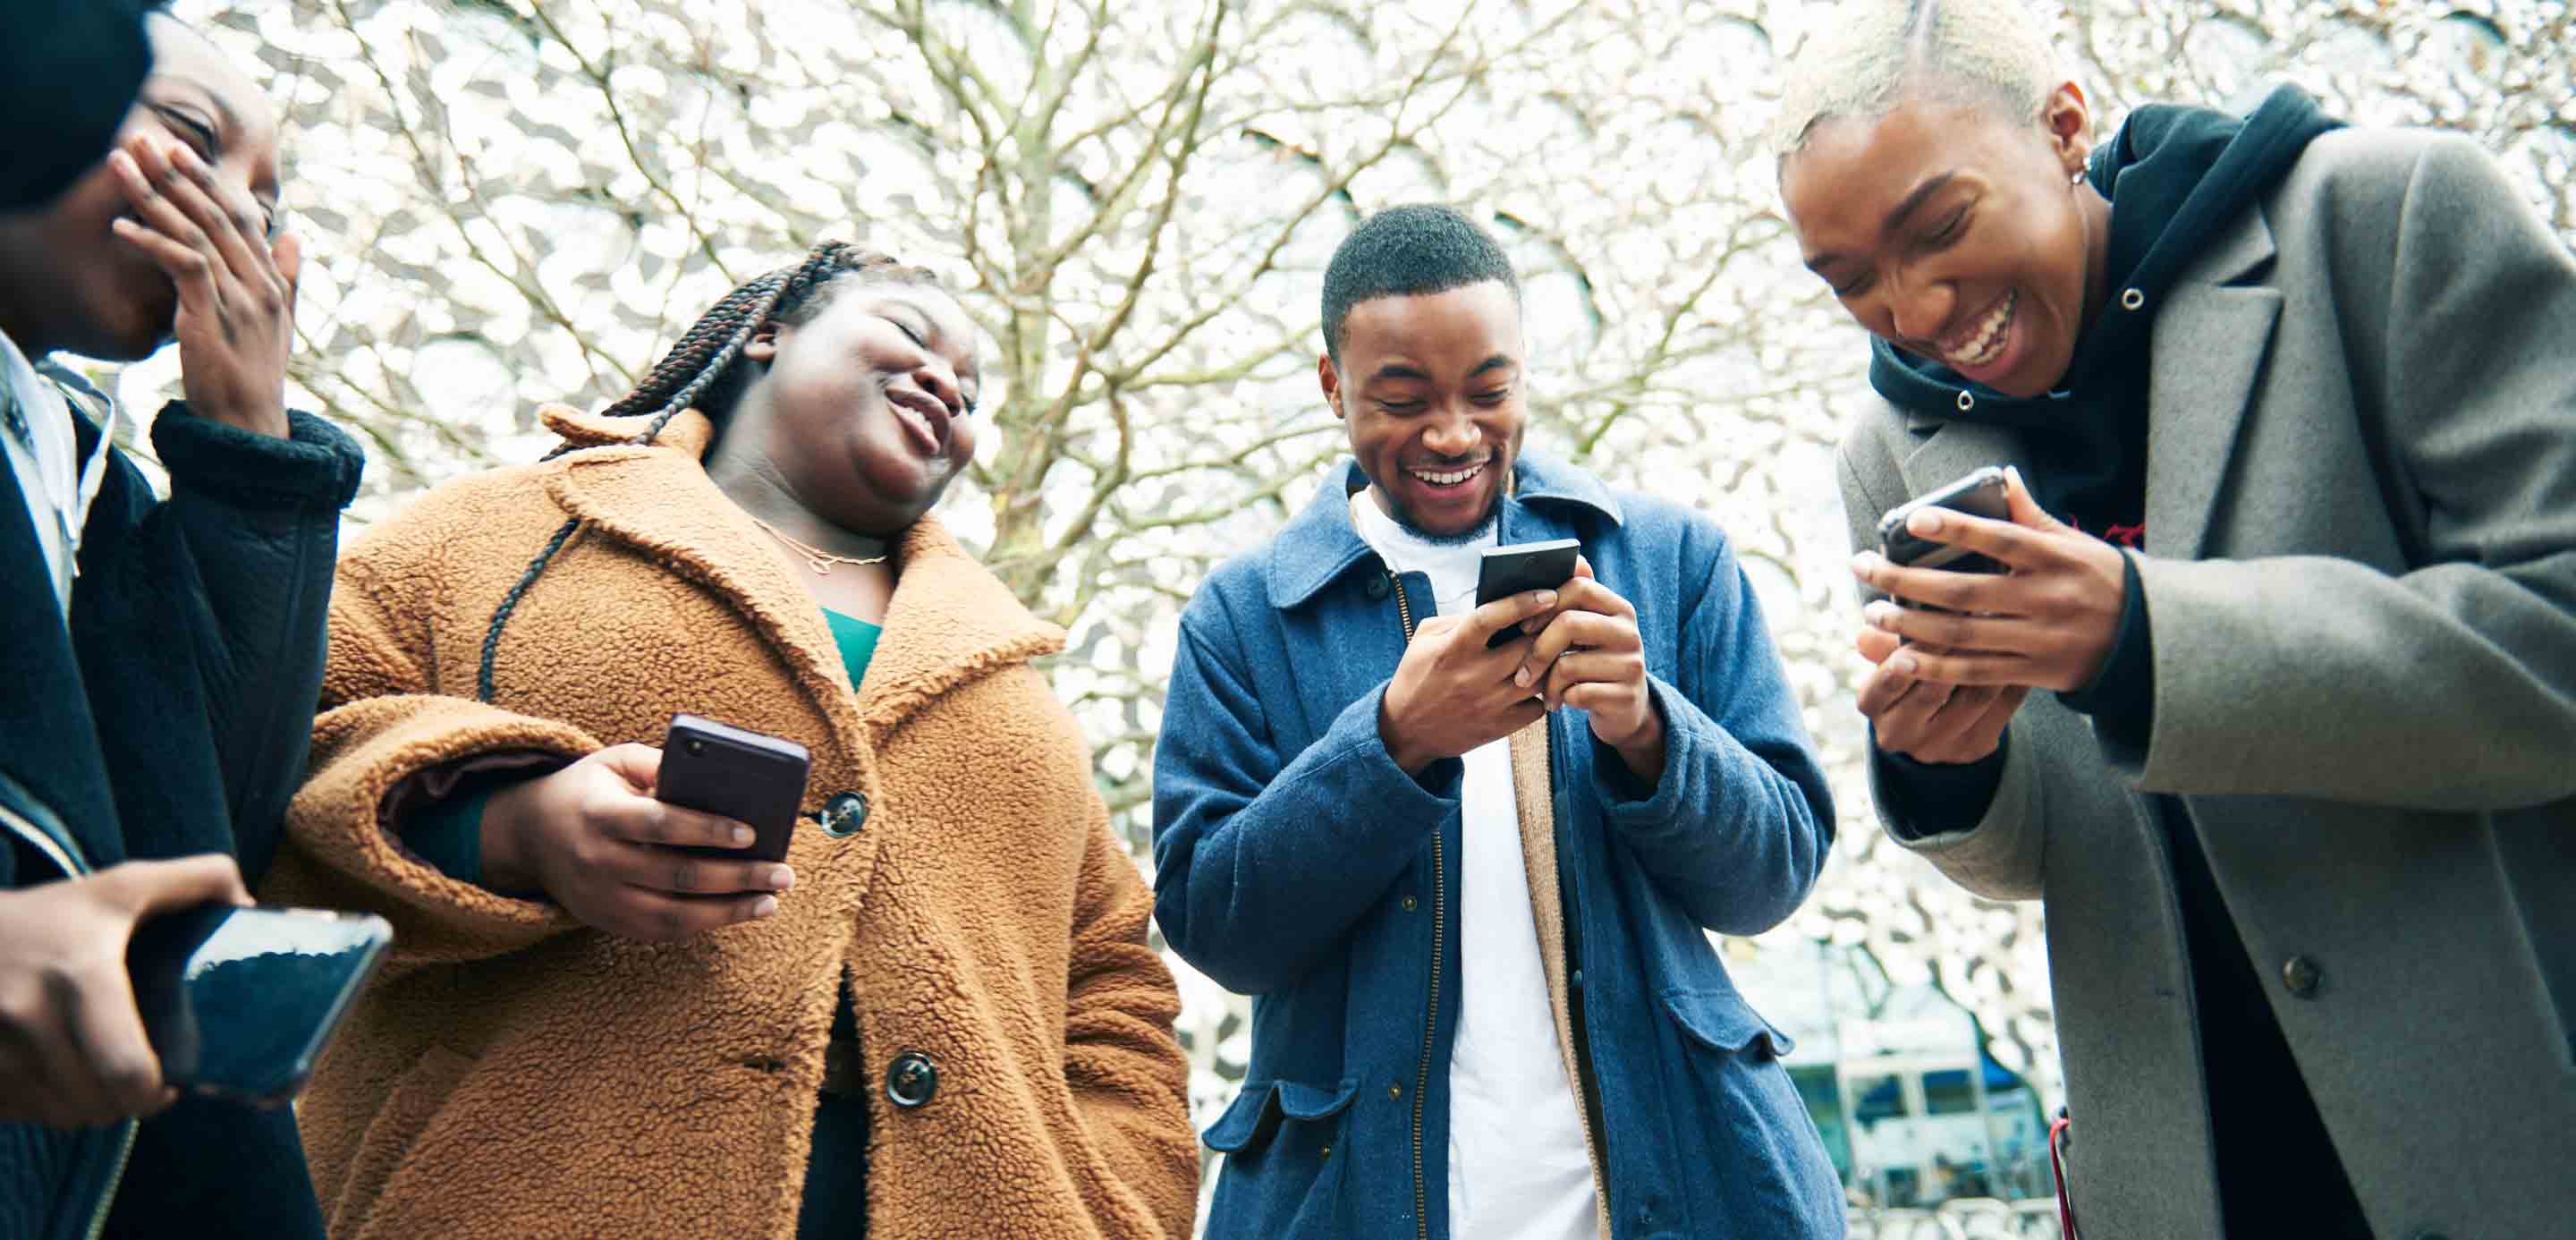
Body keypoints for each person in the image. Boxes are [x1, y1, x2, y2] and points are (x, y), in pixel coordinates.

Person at [1774, 2, 2576, 1237]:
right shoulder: (1892, 453)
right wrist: (1948, 772)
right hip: (2194, 1188)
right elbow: (2041, 856)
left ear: (2064, 127)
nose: (1915, 309)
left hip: (2509, 1131)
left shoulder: (2387, 216)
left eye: (1939, 229)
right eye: (1851, 281)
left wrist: (2144, 640)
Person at [262, 241, 1200, 1239]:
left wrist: (1114, 1203)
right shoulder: (501, 530)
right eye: (909, 334)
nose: (947, 385)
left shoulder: (1010, 674)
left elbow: (1111, 980)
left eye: (971, 393)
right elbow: (270, 743)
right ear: (766, 331)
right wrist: (509, 828)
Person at [1153, 204, 1843, 1240]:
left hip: (1682, 1189)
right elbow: (1218, 930)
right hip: (1356, 1206)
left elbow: (1772, 880)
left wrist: (1649, 732)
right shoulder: (1245, 616)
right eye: (1402, 399)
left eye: (1489, 391)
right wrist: (1396, 743)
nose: (1453, 434)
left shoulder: (1669, 559)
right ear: (1333, 385)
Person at [0, 12, 364, 1240]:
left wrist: (251, 442)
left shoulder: (97, 487)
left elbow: (210, 820)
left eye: (268, 202)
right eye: (193, 137)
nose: (238, 217)